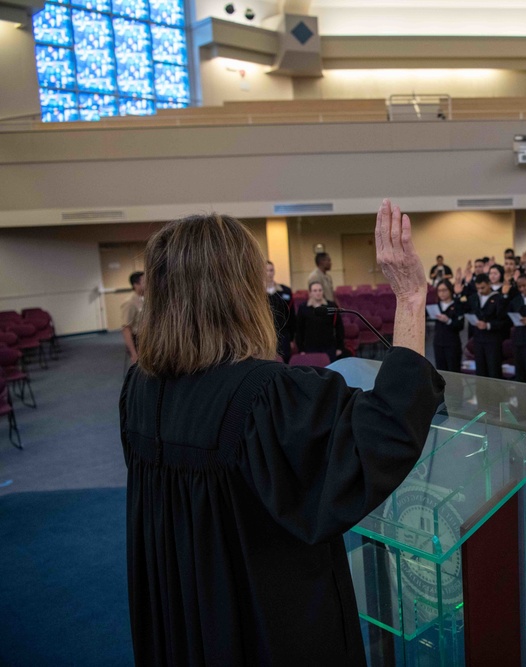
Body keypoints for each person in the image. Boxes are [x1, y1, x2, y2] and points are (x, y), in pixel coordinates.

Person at [119, 202, 444, 664]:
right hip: (258, 623)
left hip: (181, 612)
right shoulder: (266, 396)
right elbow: (385, 430)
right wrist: (411, 299)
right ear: (241, 292)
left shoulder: (137, 387)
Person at [296, 280, 350, 363]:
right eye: (315, 290)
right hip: (310, 348)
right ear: (310, 293)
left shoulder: (331, 306)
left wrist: (340, 347)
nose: (318, 293)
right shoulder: (303, 308)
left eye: (320, 290)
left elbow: (339, 327)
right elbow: (299, 330)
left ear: (323, 292)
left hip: (329, 347)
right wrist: (301, 349)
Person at [469, 273, 509, 380]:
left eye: (483, 287)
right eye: (478, 288)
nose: (480, 291)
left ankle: (496, 396)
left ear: (489, 284)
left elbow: (504, 321)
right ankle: (481, 395)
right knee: (480, 370)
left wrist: (488, 325)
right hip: (478, 338)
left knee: (493, 370)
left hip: (493, 339)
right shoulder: (475, 298)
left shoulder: (498, 298)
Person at [266, 260, 296, 362]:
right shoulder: (256, 293)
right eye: (266, 271)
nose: (269, 273)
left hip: (283, 334)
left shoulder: (285, 291)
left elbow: (291, 315)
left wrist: (292, 338)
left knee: (285, 360)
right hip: (266, 334)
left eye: (271, 270)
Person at [431, 280, 464, 373]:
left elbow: (460, 326)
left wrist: (448, 321)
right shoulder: (436, 305)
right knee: (440, 371)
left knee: (454, 371)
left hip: (452, 343)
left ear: (450, 290)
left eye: (444, 290)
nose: (442, 293)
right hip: (438, 342)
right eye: (439, 290)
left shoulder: (457, 305)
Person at [122, 271, 144, 364]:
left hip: (146, 339)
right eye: (145, 281)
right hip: (137, 340)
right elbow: (126, 329)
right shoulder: (130, 302)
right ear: (136, 284)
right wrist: (133, 353)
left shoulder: (145, 298)